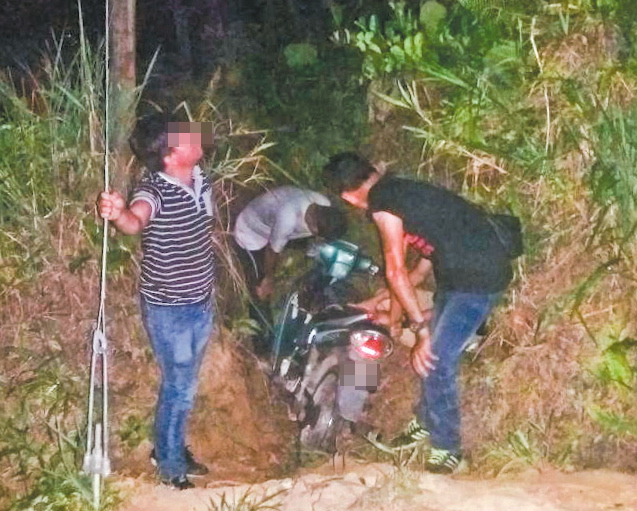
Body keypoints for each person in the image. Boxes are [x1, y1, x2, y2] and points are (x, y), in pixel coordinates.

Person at [323, 152, 516, 474]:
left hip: (478, 280)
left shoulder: (383, 204)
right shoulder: (401, 191)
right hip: (459, 276)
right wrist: (391, 318)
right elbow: (410, 276)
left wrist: (420, 329)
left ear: (348, 196)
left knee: (434, 360)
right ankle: (426, 420)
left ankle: (448, 450)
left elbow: (395, 271)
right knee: (430, 353)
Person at [97, 115, 215, 490]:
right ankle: (169, 464)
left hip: (201, 300)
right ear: (169, 154)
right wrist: (119, 214)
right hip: (169, 308)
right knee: (180, 386)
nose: (196, 136)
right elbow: (136, 221)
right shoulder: (155, 191)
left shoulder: (200, 178)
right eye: (186, 136)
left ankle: (171, 447)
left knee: (184, 383)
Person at [233, 185, 347, 353]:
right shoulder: (288, 217)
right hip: (251, 233)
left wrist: (313, 252)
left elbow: (313, 242)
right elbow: (272, 252)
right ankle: (263, 347)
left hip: (279, 227)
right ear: (315, 229)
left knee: (303, 251)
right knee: (259, 291)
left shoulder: (323, 204)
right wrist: (268, 278)